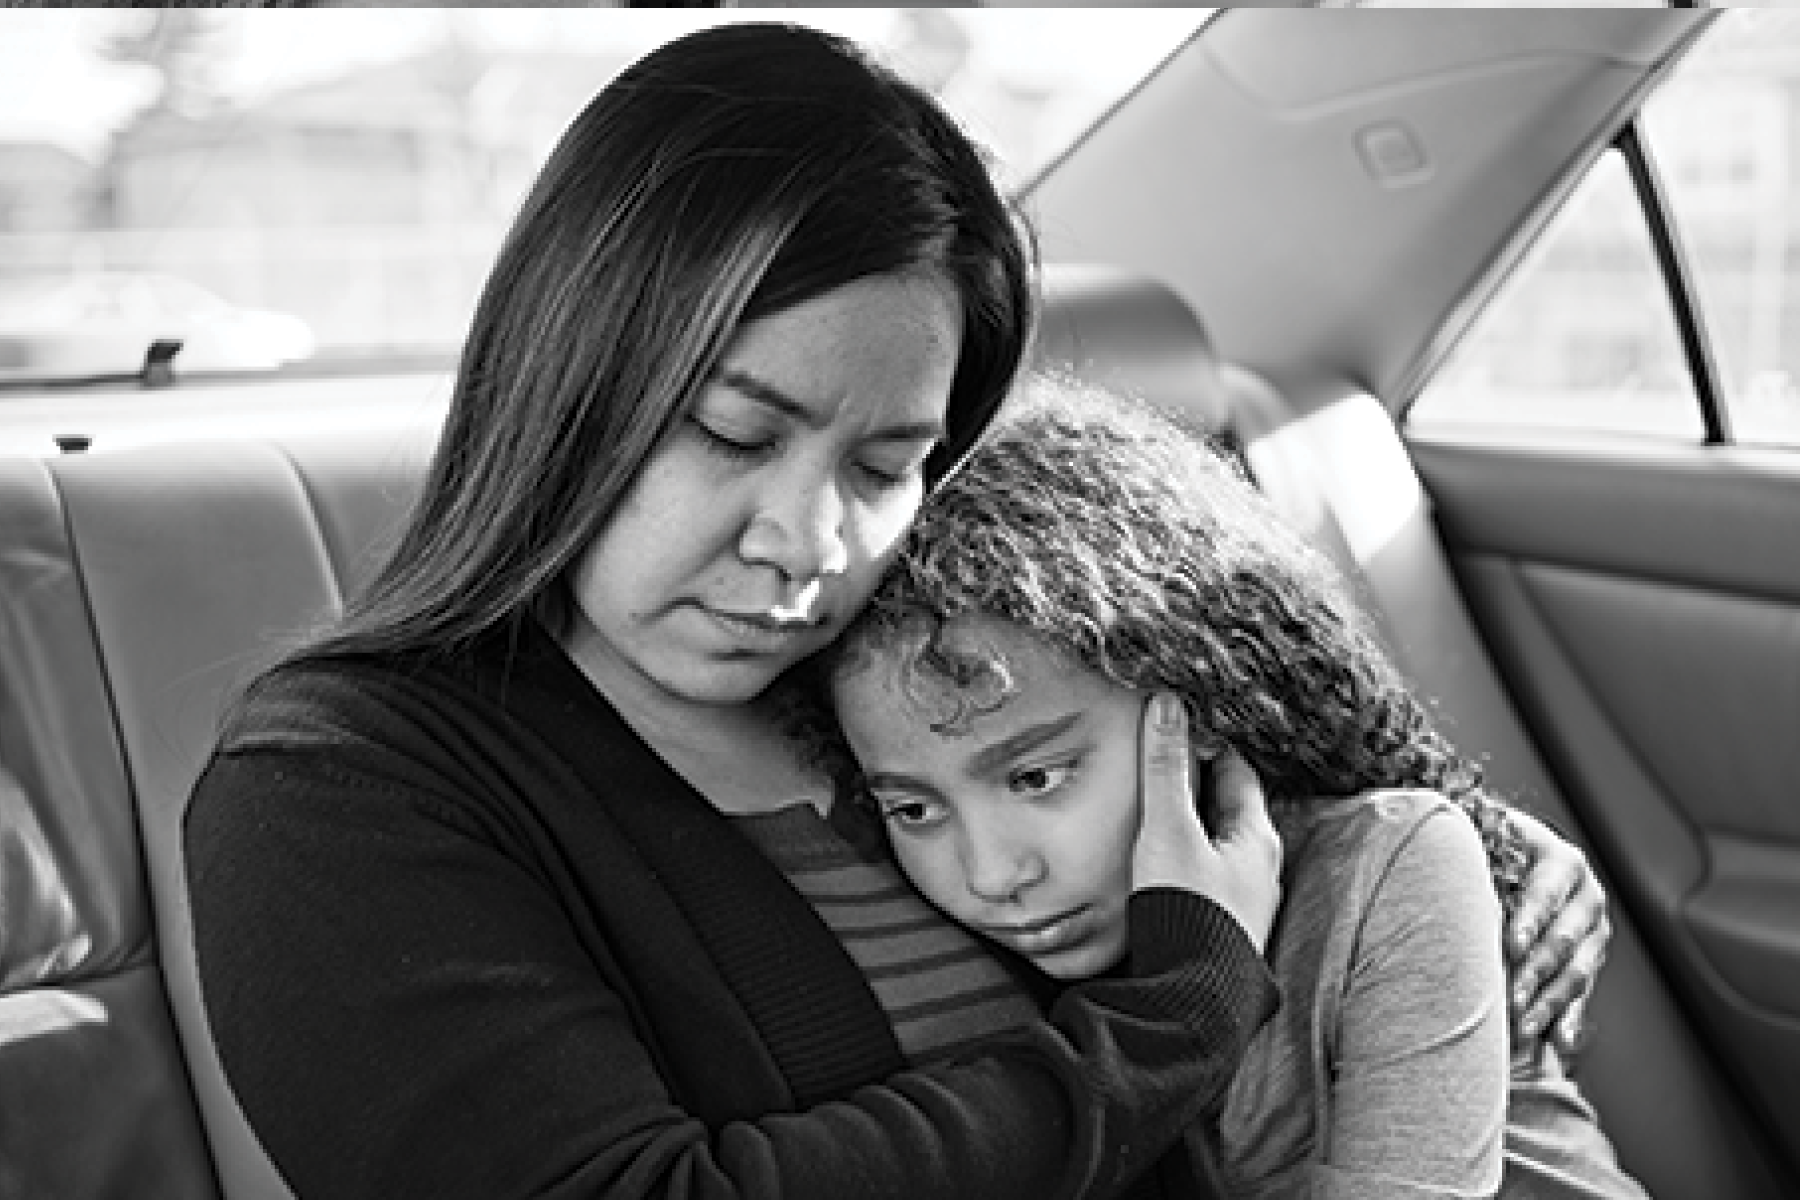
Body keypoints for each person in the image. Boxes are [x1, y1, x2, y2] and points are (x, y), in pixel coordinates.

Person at [183, 21, 1606, 1200]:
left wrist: (1457, 848)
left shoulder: (880, 674)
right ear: (572, 385)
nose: (811, 546)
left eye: (884, 465)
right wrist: (1170, 1018)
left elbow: (1211, 726)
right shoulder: (334, 790)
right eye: (736, 434)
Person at [813, 374, 1649, 1197]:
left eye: (1037, 777)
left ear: (1199, 706)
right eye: (915, 808)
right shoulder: (988, 940)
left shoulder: (1385, 872)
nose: (993, 875)